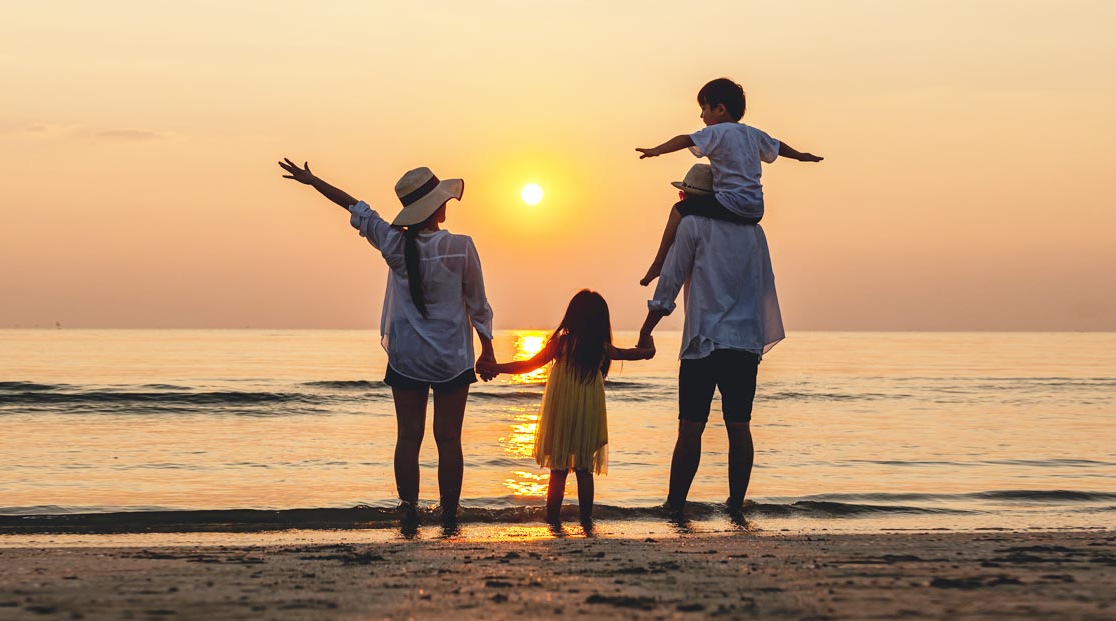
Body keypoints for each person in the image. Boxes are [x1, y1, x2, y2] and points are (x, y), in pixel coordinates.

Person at [278, 158, 502, 528]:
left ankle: (409, 512)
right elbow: (478, 305)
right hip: (452, 357)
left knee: (408, 438)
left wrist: (313, 180)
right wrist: (488, 350)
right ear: (438, 207)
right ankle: (448, 516)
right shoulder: (461, 247)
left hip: (407, 357)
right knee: (448, 440)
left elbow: (354, 205)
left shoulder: (394, 242)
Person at [637, 165, 787, 516]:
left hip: (703, 341)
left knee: (690, 426)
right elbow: (765, 284)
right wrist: (756, 336)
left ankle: (675, 505)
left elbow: (670, 282)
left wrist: (646, 331)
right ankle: (735, 505)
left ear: (688, 198)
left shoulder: (692, 225)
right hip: (744, 342)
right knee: (740, 426)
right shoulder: (755, 233)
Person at [635, 77, 823, 286]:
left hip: (730, 204)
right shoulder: (753, 134)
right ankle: (659, 263)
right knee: (709, 197)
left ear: (720, 109)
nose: (702, 115)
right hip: (756, 210)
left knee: (679, 209)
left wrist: (657, 150)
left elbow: (685, 139)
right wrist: (800, 155)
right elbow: (778, 146)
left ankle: (658, 263)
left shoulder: (716, 132)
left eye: (704, 108)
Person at [492, 290, 654, 524]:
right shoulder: (601, 347)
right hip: (589, 411)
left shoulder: (562, 343)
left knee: (558, 469)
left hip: (562, 410)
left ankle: (553, 519)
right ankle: (586, 521)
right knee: (584, 469)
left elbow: (529, 365)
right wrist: (649, 345)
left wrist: (496, 367)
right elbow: (637, 354)